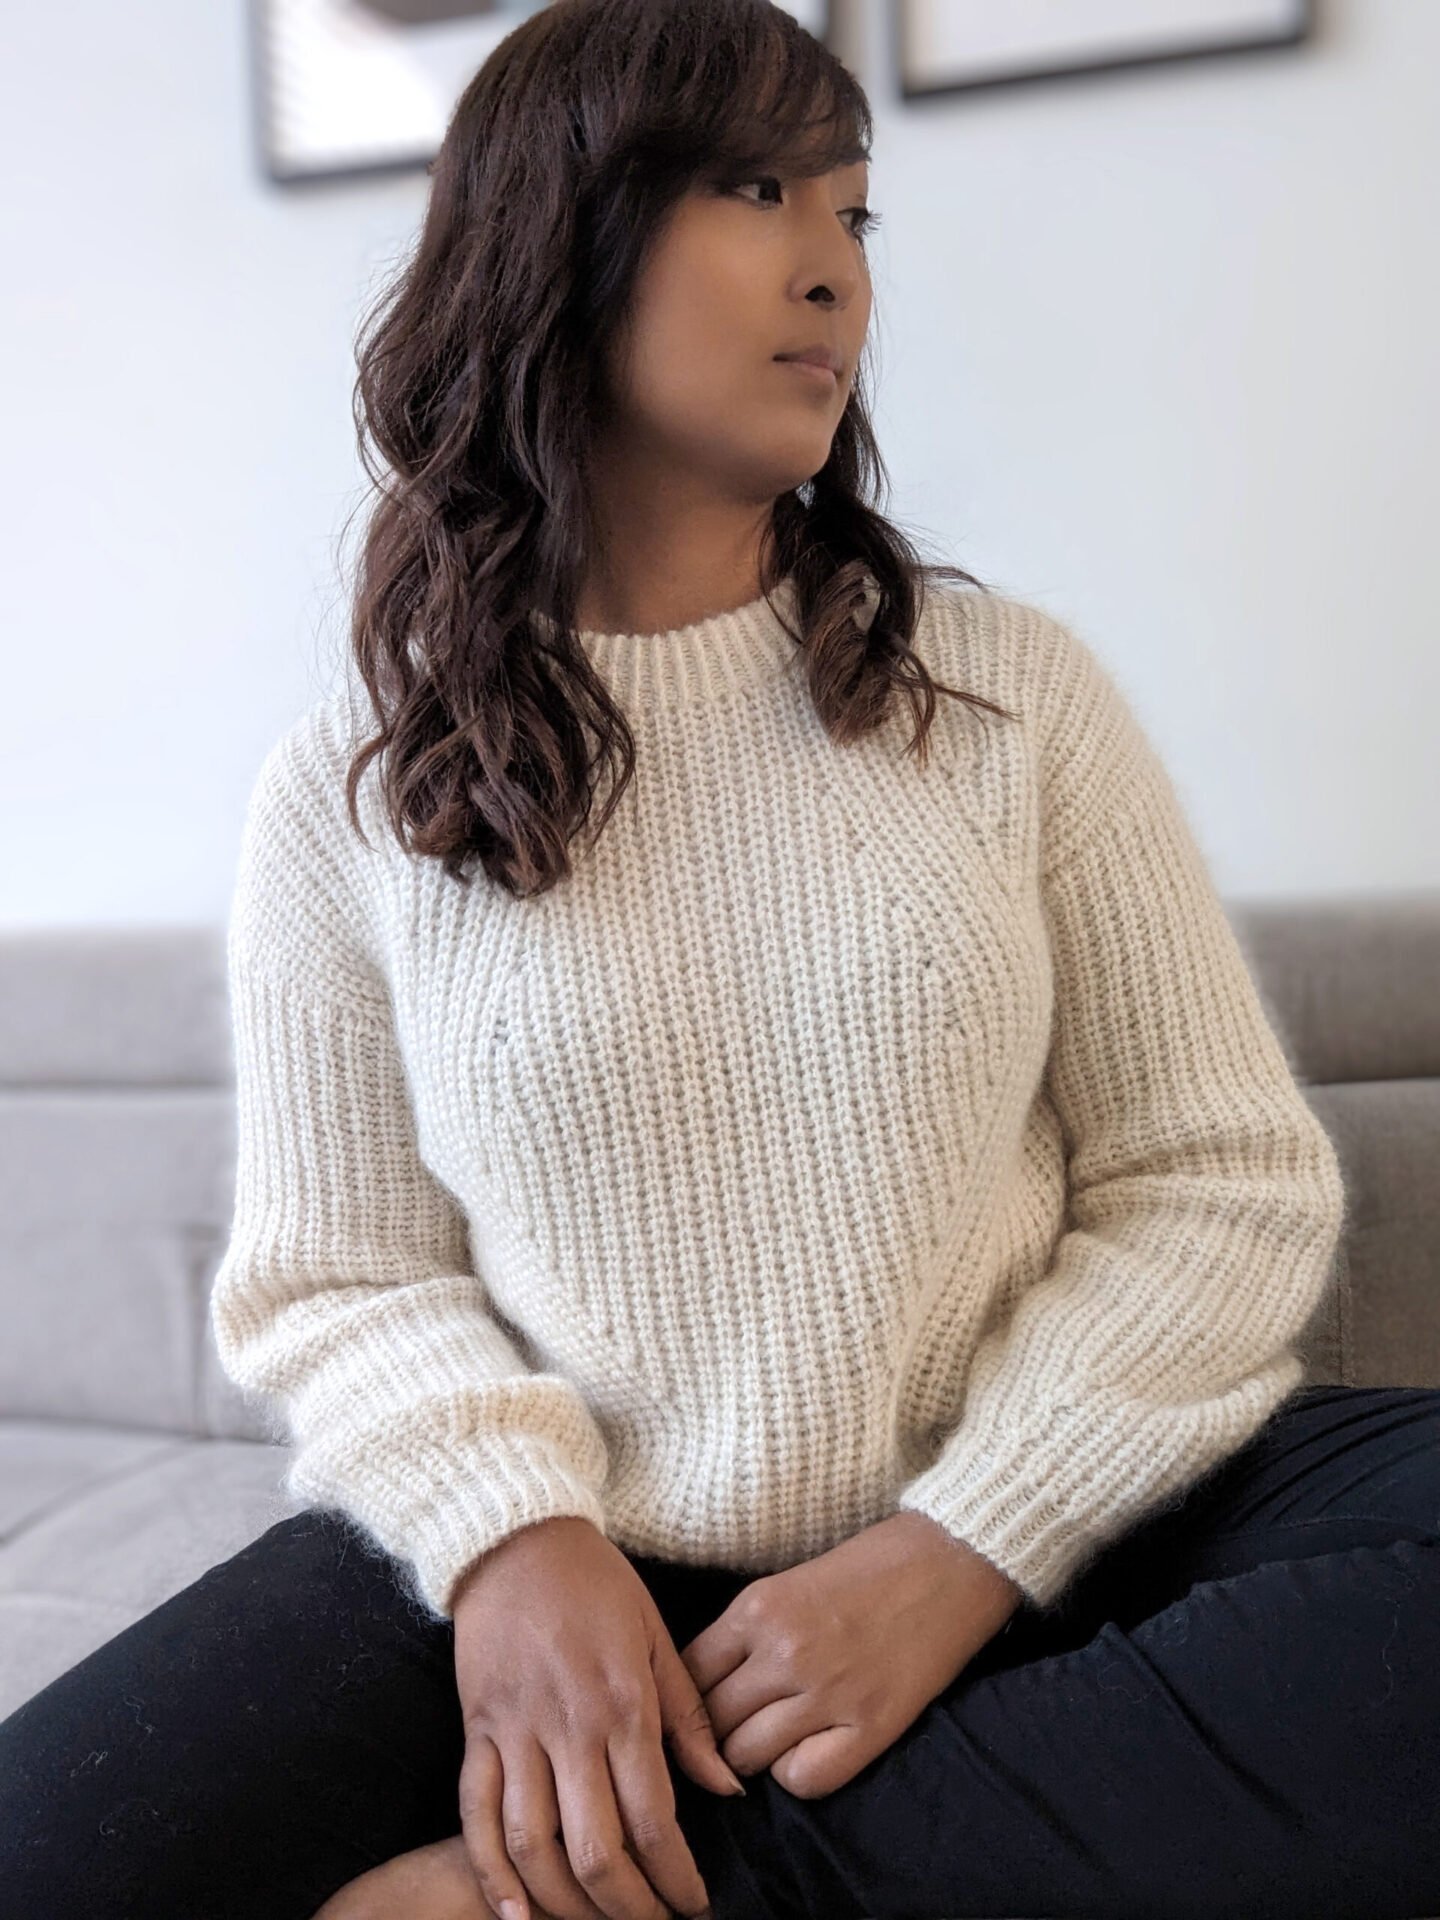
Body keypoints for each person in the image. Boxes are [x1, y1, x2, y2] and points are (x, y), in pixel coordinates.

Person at [3, 1, 1437, 1916]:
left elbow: (1218, 1181)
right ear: (553, 237)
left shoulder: (1003, 700)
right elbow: (339, 1278)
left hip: (1039, 1518)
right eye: (757, 189)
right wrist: (513, 1539)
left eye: (854, 206)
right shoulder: (346, 799)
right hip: (591, 1556)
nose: (834, 264)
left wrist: (965, 1546)